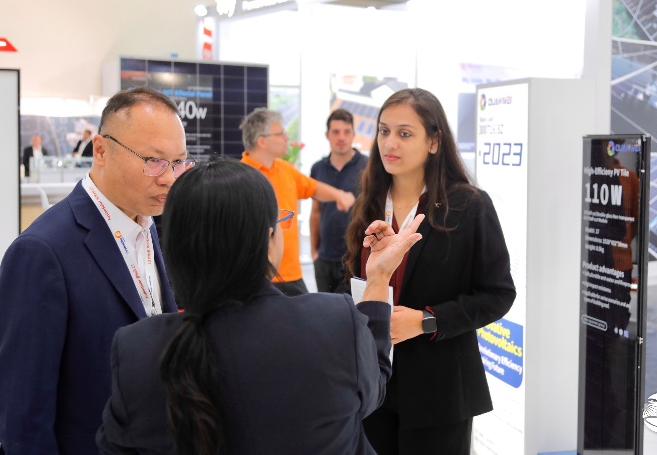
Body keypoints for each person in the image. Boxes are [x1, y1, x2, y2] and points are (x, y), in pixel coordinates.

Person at [96, 159, 424, 455]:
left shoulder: (137, 350)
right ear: (268, 239)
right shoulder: (332, 323)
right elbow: (373, 385)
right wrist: (379, 278)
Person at [0, 88, 189, 454]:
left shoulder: (147, 226)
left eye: (178, 162)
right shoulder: (42, 252)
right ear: (101, 151)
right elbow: (22, 413)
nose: (169, 178)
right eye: (154, 161)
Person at [345, 88, 516, 455]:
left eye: (405, 133)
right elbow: (347, 283)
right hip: (371, 384)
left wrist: (426, 320)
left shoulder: (468, 206)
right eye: (384, 131)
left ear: (434, 141)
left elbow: (498, 294)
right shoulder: (367, 204)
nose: (390, 143)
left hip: (439, 391)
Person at [240, 108, 355, 296]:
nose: (286, 138)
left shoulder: (285, 169)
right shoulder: (240, 177)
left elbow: (313, 188)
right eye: (281, 133)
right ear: (262, 141)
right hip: (257, 278)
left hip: (292, 275)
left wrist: (339, 195)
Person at [310, 108, 368, 293]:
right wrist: (314, 252)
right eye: (336, 132)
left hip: (355, 258)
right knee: (325, 309)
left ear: (353, 134)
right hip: (324, 259)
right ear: (327, 135)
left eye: (346, 131)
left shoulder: (367, 167)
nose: (341, 137)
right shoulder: (318, 168)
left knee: (353, 309)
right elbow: (316, 211)